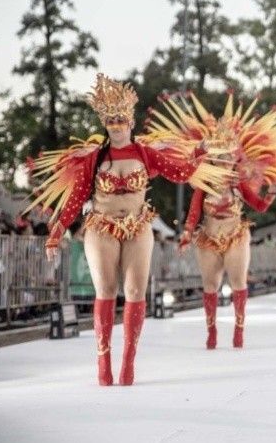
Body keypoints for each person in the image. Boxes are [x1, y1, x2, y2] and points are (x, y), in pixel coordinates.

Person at [26, 74, 227, 386]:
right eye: (111, 120)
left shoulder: (145, 154)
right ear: (105, 124)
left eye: (121, 119)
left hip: (137, 227)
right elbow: (76, 200)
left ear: (131, 122)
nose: (117, 125)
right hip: (101, 228)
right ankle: (103, 361)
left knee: (134, 291)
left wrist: (197, 155)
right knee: (106, 290)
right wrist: (56, 232)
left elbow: (179, 173)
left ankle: (128, 363)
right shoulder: (94, 159)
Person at [148, 92, 276, 350]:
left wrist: (271, 193)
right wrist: (186, 235)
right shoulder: (203, 184)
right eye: (220, 156)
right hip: (208, 238)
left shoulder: (239, 184)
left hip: (236, 235)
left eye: (228, 156)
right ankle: (211, 330)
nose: (224, 160)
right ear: (213, 158)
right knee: (210, 285)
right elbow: (193, 212)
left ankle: (239, 329)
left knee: (238, 282)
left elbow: (258, 206)